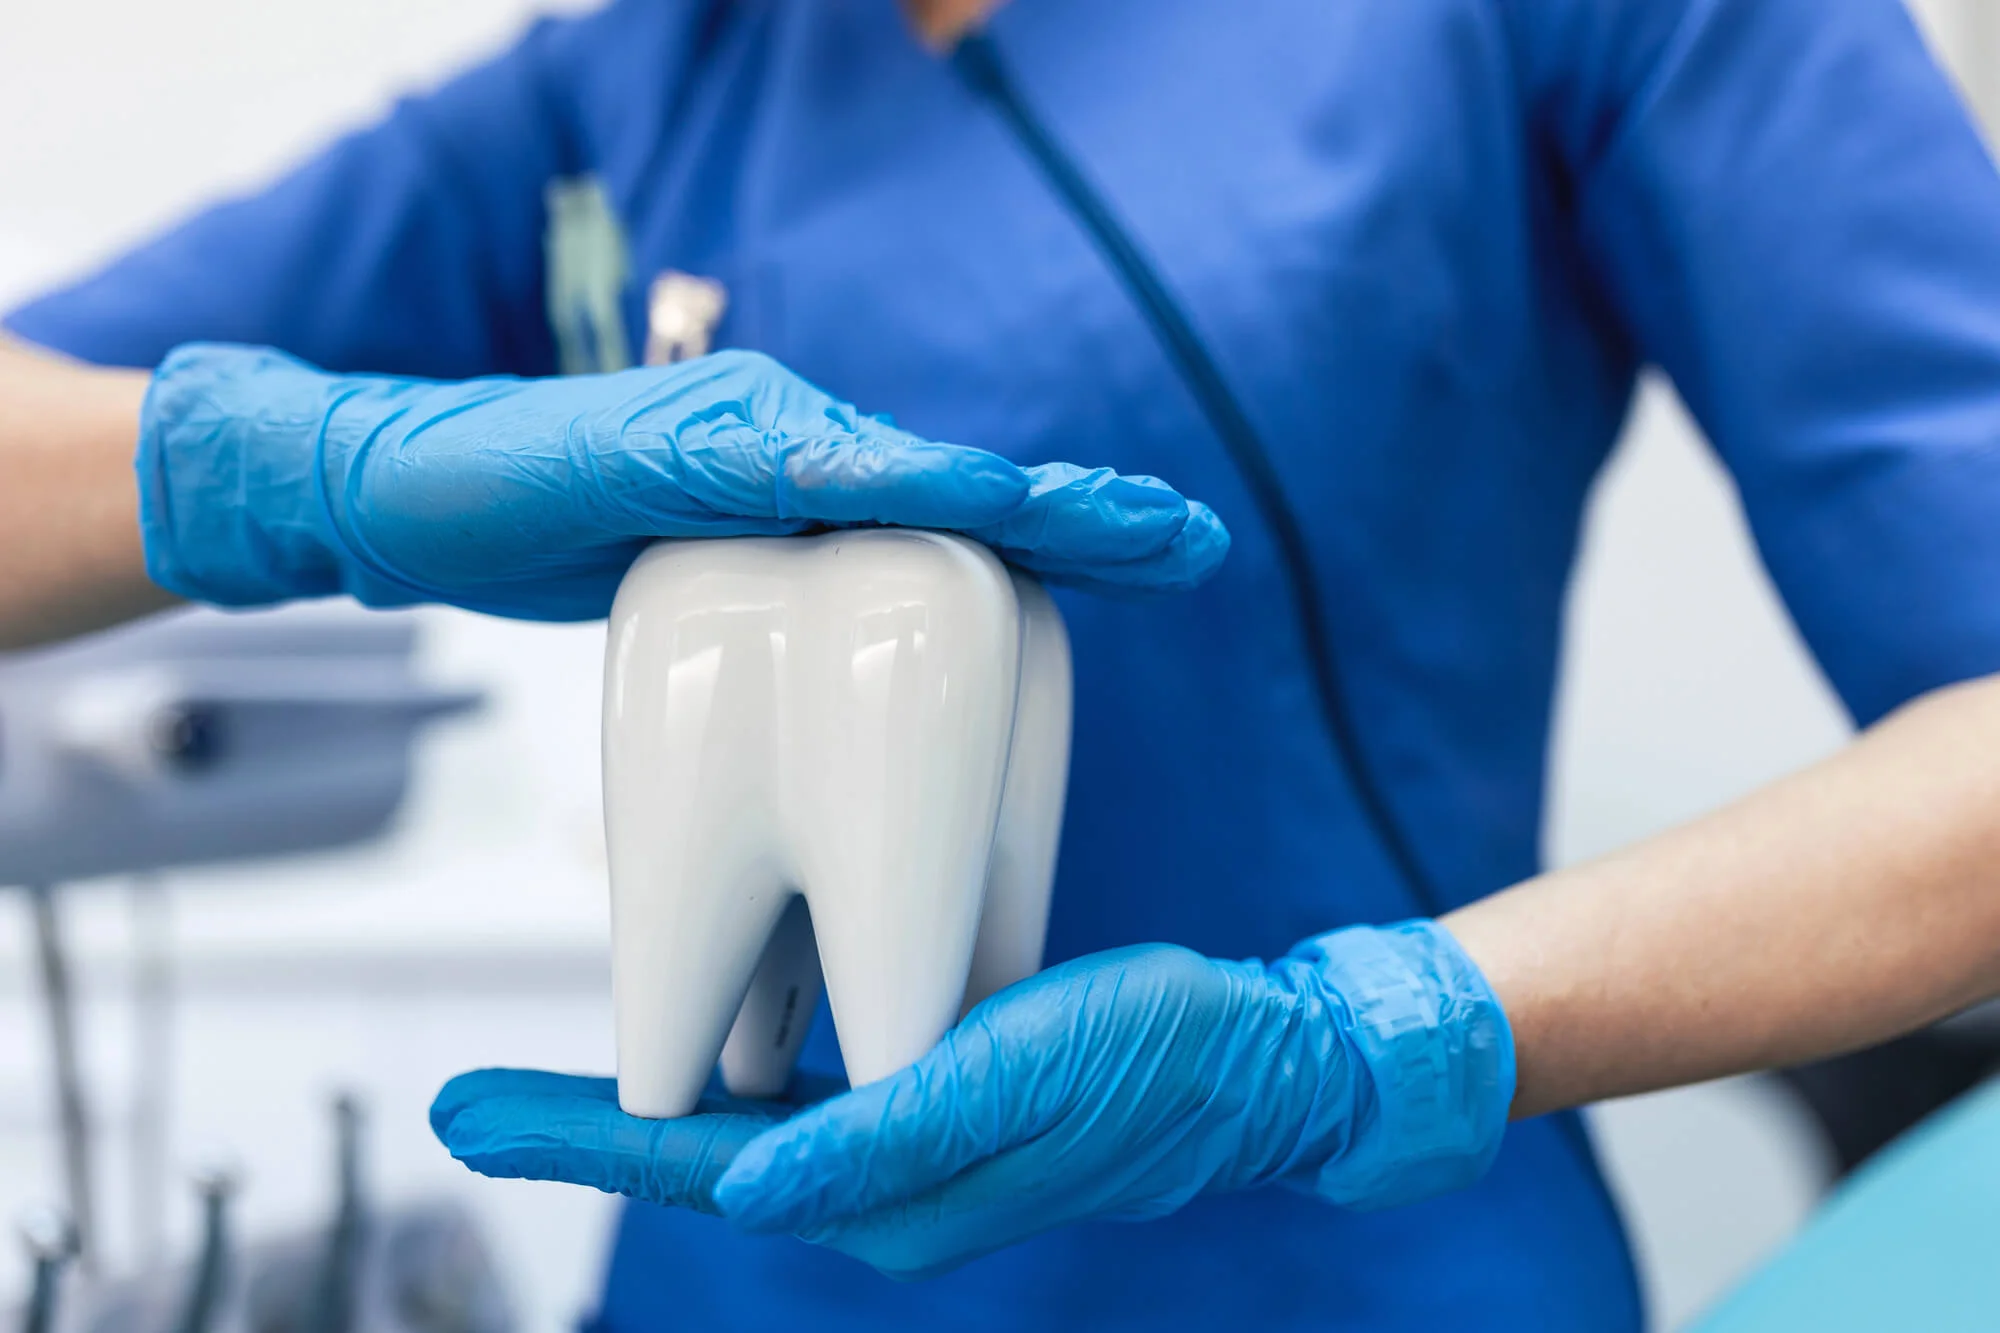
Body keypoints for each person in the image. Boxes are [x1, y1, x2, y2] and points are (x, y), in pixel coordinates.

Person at [5, 0, 2000, 1327]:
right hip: (734, 1278)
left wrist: (1366, 1045)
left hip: (1355, 1270)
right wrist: (287, 467)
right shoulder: (638, 78)